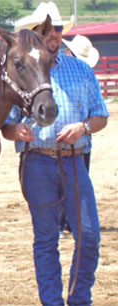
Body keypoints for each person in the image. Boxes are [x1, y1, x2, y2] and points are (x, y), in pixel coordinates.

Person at [1, 1, 112, 306]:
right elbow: (6, 125)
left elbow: (100, 115)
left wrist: (83, 127)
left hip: (75, 161)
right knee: (46, 239)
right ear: (36, 34)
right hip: (37, 162)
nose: (54, 34)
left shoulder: (80, 70)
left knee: (89, 235)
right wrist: (14, 131)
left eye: (59, 29)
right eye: (48, 29)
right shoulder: (25, 70)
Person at [59, 35, 100, 236]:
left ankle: (69, 222)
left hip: (82, 137)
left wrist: (85, 127)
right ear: (69, 53)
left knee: (79, 179)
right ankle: (63, 221)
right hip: (62, 136)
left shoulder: (85, 77)